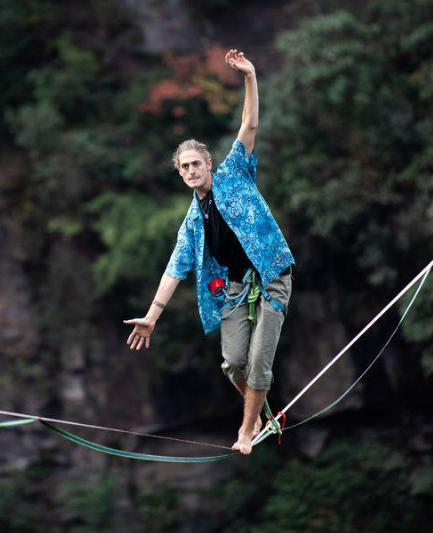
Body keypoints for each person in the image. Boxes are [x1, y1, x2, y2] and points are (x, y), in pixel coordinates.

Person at [124, 49, 295, 455]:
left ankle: (246, 431)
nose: (190, 171)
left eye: (195, 163)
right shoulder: (192, 223)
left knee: (259, 362)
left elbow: (249, 123)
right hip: (235, 288)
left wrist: (250, 76)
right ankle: (262, 413)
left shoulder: (235, 172)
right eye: (184, 167)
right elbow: (174, 269)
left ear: (208, 163)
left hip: (271, 275)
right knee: (233, 364)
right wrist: (151, 317)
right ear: (180, 173)